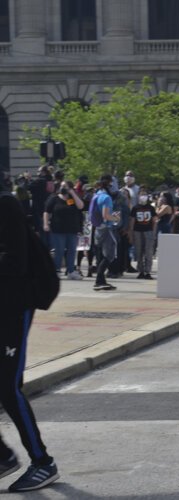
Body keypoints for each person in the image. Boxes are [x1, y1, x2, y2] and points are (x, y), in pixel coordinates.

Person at [0, 172, 60, 492]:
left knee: (8, 386)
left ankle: (43, 463)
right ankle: (3, 457)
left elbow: (15, 262)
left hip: (12, 308)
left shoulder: (5, 205)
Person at [43, 181, 84, 279]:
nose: (62, 188)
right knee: (59, 250)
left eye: (65, 186)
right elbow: (46, 212)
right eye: (61, 186)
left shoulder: (72, 199)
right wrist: (45, 223)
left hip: (72, 229)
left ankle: (71, 271)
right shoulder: (54, 198)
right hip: (58, 229)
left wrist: (72, 193)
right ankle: (56, 270)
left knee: (72, 251)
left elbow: (81, 206)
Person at [90, 174, 120, 291]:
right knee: (110, 255)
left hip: (97, 228)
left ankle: (101, 280)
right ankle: (98, 280)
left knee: (101, 255)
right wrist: (116, 218)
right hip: (106, 228)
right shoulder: (106, 198)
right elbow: (106, 215)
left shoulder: (96, 195)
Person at [129, 192, 157, 279]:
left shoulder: (151, 208)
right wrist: (131, 233)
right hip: (138, 231)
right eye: (141, 195)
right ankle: (140, 271)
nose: (143, 197)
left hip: (148, 231)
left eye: (145, 195)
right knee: (139, 251)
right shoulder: (135, 208)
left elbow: (154, 221)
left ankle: (148, 271)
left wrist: (154, 232)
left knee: (148, 252)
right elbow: (132, 221)